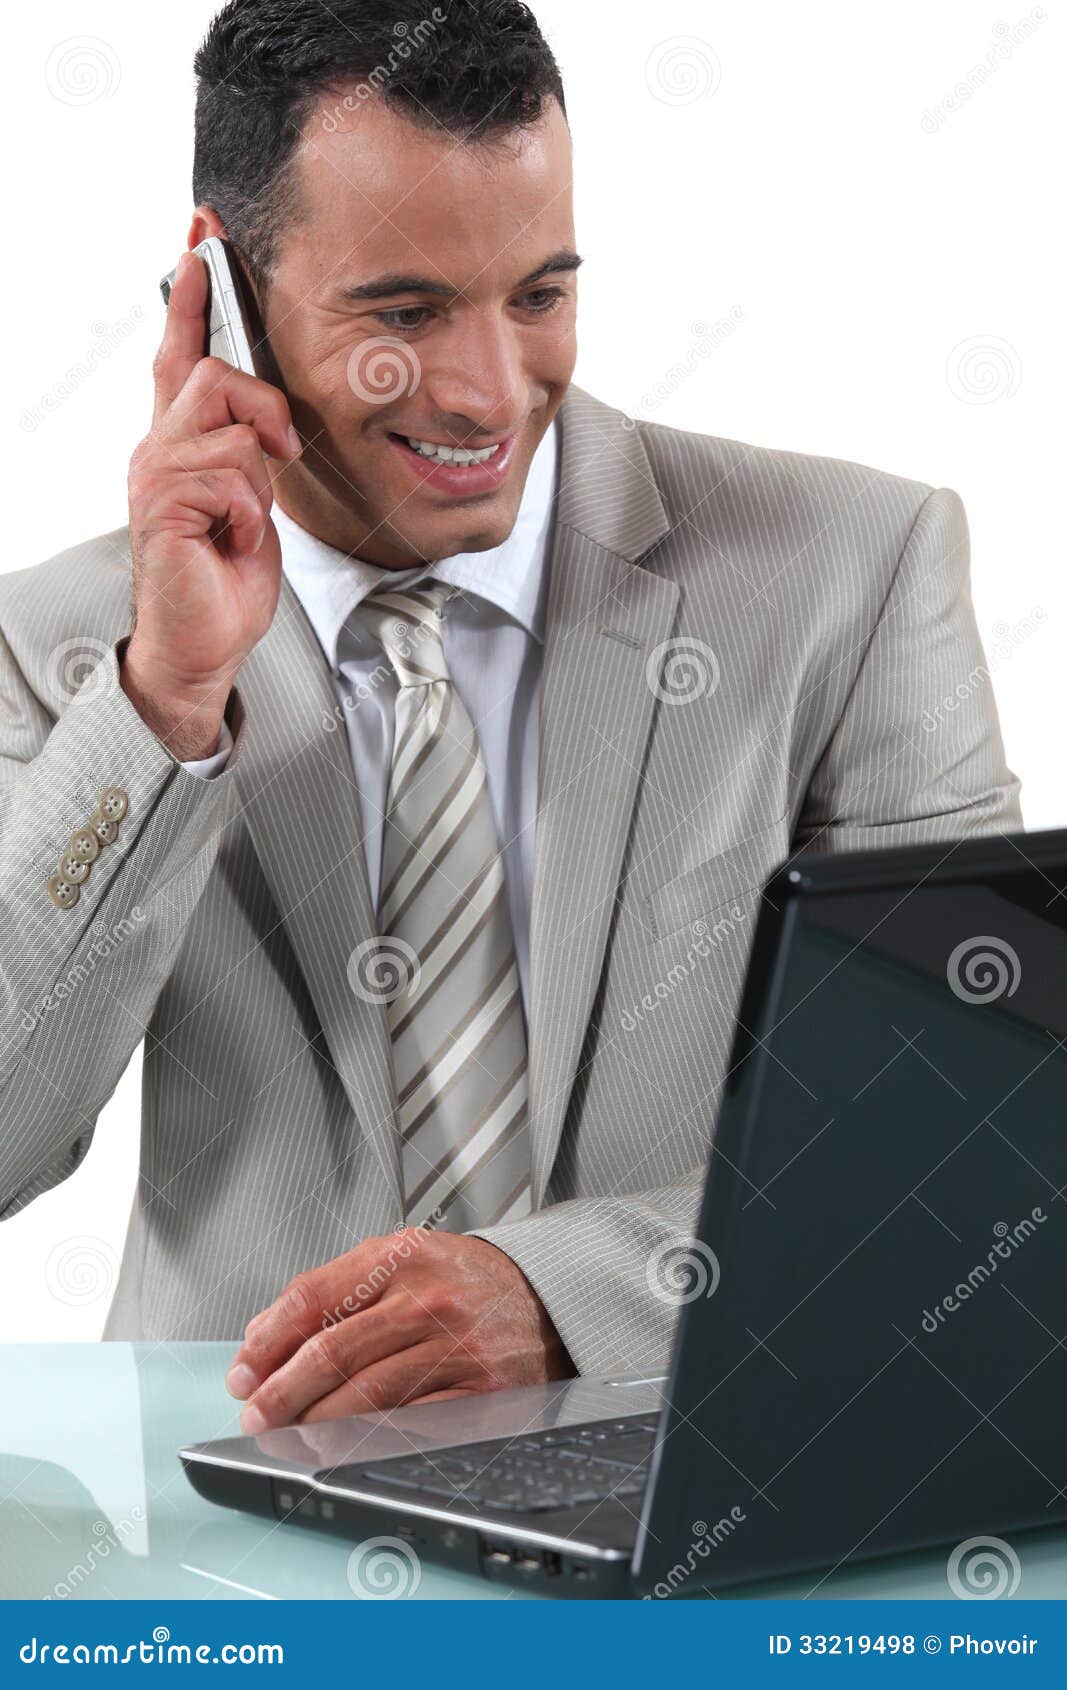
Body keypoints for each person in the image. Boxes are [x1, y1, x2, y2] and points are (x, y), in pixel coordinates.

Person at [0, 0, 1021, 1434]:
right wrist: (163, 702)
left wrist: (561, 1301)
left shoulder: (849, 570)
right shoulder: (59, 647)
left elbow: (972, 1149)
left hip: (700, 1499)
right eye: (403, 314)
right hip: (222, 1536)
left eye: (538, 295)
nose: (489, 391)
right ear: (219, 290)